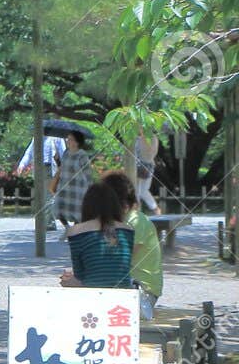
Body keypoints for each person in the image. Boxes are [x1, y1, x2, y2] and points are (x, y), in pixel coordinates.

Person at [101, 169, 163, 318]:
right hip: (126, 288)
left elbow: (119, 262)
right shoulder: (119, 222)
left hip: (141, 293)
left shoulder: (135, 221)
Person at [60, 181, 136, 289]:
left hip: (94, 295)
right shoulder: (128, 230)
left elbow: (80, 275)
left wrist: (69, 281)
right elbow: (118, 270)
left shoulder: (75, 232)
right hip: (124, 293)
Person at [17, 133, 65, 227]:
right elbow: (29, 153)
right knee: (40, 196)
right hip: (38, 168)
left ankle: (48, 223)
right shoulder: (36, 138)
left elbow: (64, 154)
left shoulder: (56, 137)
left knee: (48, 196)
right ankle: (48, 222)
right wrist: (22, 165)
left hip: (50, 168)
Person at [49, 130, 94, 228]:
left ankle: (74, 230)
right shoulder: (66, 153)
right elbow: (62, 168)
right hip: (64, 186)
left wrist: (91, 189)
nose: (68, 141)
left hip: (78, 188)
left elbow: (88, 173)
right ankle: (67, 228)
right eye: (68, 139)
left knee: (78, 211)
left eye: (71, 139)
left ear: (77, 142)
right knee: (58, 207)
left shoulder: (82, 155)